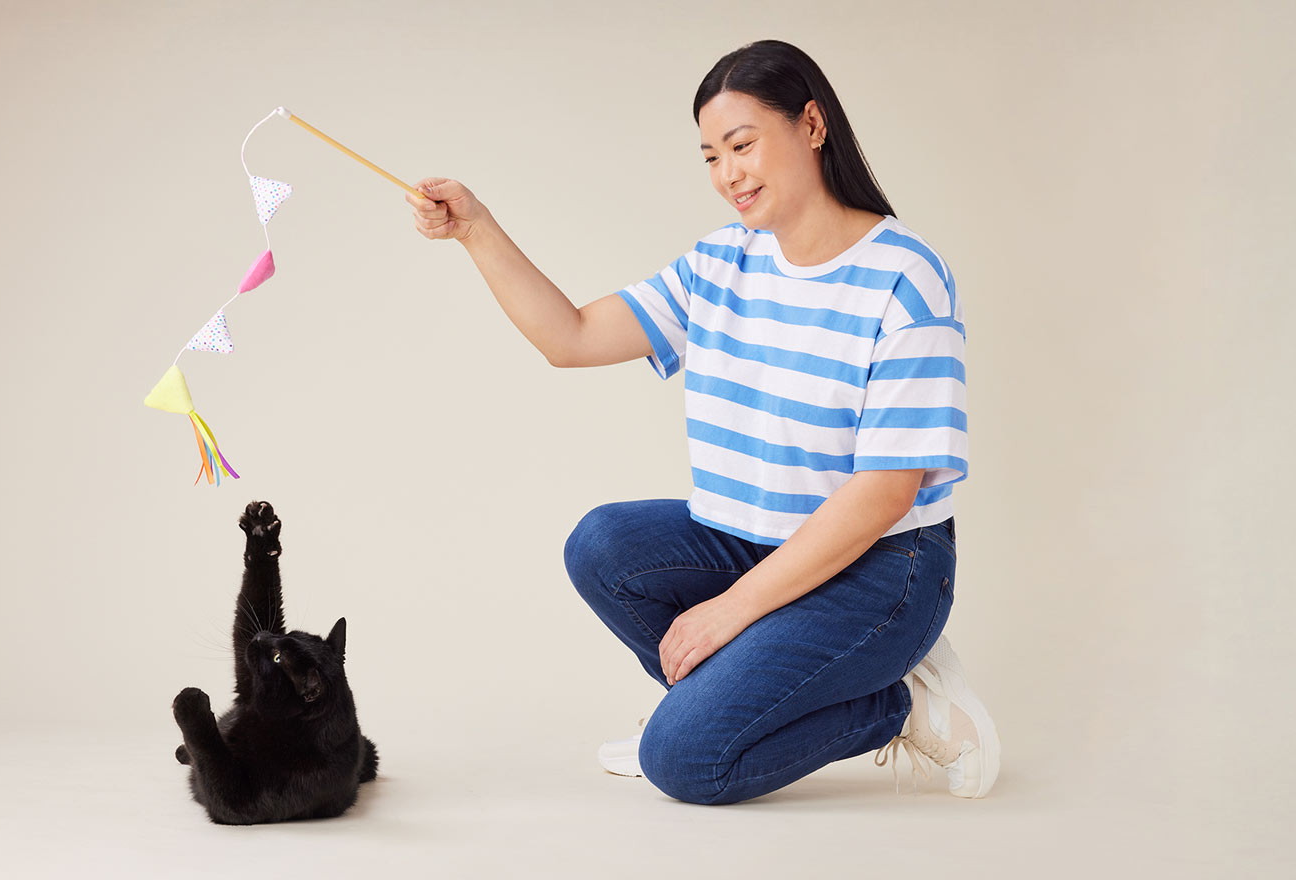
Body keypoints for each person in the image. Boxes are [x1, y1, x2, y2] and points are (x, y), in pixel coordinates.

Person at [406, 39, 999, 804]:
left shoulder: (904, 276)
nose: (728, 175)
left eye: (742, 146)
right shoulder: (720, 264)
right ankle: (713, 705)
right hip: (753, 539)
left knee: (684, 762)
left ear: (812, 125)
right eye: (711, 157)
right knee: (604, 544)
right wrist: (474, 228)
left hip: (884, 566)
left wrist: (729, 612)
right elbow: (572, 336)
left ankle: (897, 702)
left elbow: (886, 493)